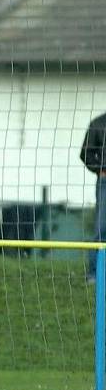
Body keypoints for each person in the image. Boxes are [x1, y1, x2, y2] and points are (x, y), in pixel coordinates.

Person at [80, 111, 106, 283]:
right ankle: (94, 274)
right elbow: (85, 154)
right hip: (105, 183)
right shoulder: (98, 124)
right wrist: (100, 170)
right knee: (101, 228)